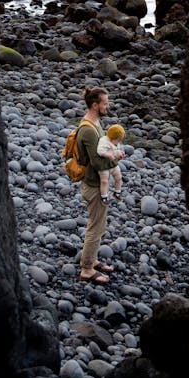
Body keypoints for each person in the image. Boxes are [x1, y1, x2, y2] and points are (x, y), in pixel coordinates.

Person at [75, 86, 119, 284]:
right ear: (95, 105)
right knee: (95, 227)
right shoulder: (89, 131)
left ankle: (92, 260)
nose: (107, 106)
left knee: (99, 226)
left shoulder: (95, 123)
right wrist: (116, 158)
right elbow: (97, 162)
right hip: (94, 186)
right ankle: (86, 269)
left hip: (97, 183)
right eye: (104, 104)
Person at [97, 124, 126, 200]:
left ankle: (117, 192)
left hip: (112, 164)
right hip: (104, 165)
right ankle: (104, 196)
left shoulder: (116, 142)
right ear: (113, 137)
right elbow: (100, 151)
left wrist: (120, 154)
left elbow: (116, 150)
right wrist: (108, 155)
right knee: (104, 181)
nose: (119, 142)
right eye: (119, 140)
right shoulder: (104, 141)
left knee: (119, 177)